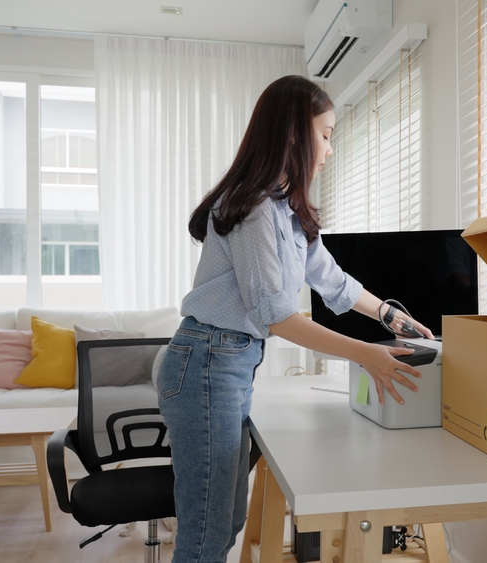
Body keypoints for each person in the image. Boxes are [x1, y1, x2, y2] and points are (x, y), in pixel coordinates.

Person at [156, 75, 433, 563]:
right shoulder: (253, 207)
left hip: (230, 362)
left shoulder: (287, 211)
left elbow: (333, 281)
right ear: (291, 134)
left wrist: (391, 316)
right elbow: (276, 315)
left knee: (227, 523)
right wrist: (365, 353)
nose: (329, 149)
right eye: (325, 134)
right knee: (206, 534)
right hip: (206, 362)